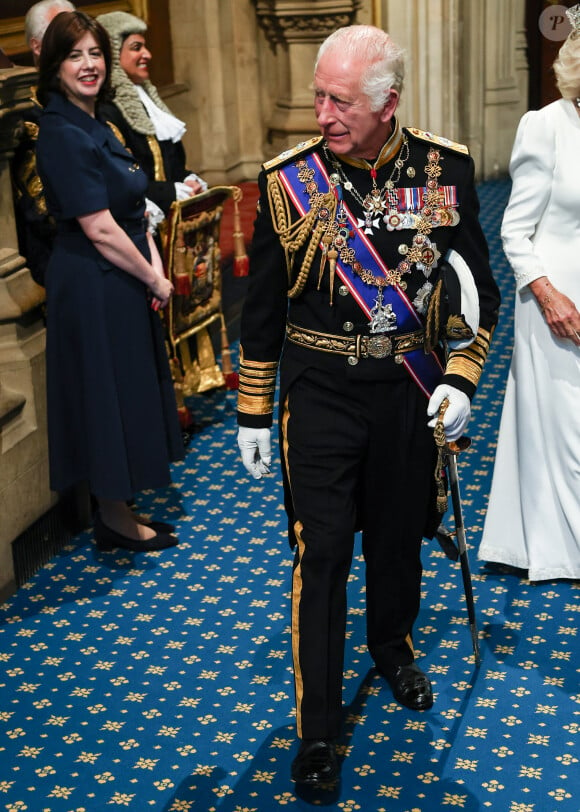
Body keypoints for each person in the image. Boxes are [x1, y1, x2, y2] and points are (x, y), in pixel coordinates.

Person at [236, 24, 500, 789]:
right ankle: (316, 730)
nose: (321, 114)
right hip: (318, 393)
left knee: (394, 537)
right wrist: (255, 410)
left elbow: (473, 292)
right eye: (319, 96)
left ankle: (393, 647)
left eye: (339, 100)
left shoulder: (443, 169)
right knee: (319, 555)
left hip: (404, 394)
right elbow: (261, 310)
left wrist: (460, 377)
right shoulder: (289, 181)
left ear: (388, 103)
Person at [35, 10, 184, 552]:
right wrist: (155, 278)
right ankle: (114, 518)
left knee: (126, 388)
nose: (89, 64)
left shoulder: (98, 121)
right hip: (93, 282)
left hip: (121, 273)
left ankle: (120, 506)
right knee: (106, 393)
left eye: (95, 53)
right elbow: (98, 227)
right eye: (74, 55)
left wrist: (152, 268)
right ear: (53, 66)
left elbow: (132, 208)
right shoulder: (60, 132)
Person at [478, 7, 580, 582]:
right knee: (568, 430)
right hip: (558, 302)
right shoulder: (546, 125)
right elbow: (515, 231)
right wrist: (548, 295)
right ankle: (562, 549)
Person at [95, 10, 206, 223]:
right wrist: (169, 192)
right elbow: (121, 178)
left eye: (145, 47)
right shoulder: (106, 110)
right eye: (136, 48)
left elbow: (171, 161)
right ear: (113, 54)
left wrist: (186, 178)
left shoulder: (149, 99)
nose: (147, 54)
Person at [11, 0, 75, 286]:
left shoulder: (88, 98)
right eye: (65, 36)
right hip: (64, 256)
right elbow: (43, 208)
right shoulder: (26, 113)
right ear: (37, 47)